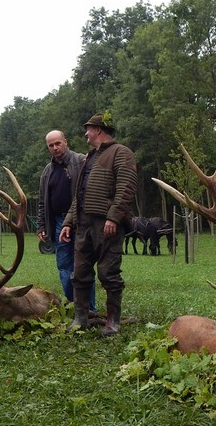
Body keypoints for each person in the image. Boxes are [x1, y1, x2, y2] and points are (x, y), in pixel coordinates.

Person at [60, 112, 137, 336]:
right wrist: (69, 222)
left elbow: (127, 187)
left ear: (99, 130)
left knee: (109, 273)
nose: (86, 133)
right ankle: (80, 319)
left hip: (106, 224)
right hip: (83, 223)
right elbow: (79, 195)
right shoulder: (90, 157)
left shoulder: (121, 153)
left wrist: (113, 217)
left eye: (89, 129)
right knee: (79, 272)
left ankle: (113, 322)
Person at [37, 130, 97, 312]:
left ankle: (90, 308)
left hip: (80, 222)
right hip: (57, 223)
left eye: (58, 143)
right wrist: (41, 225)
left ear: (66, 142)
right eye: (51, 145)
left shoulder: (81, 161)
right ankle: (73, 306)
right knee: (64, 266)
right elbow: (42, 202)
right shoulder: (48, 171)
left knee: (83, 266)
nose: (55, 148)